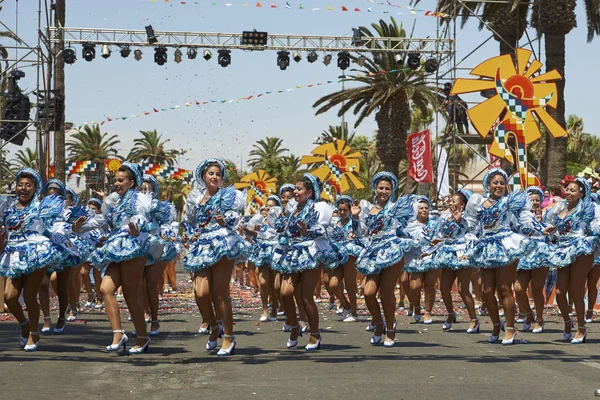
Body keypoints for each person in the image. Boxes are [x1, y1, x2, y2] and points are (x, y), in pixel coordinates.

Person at [464, 168, 548, 344]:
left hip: (505, 245)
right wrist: (468, 248)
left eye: (502, 183)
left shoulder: (510, 202)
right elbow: (471, 228)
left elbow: (523, 220)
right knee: (486, 291)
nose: (499, 186)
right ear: (488, 184)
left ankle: (510, 328)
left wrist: (540, 229)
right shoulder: (478, 203)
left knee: (504, 289)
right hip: (486, 247)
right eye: (496, 182)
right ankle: (496, 325)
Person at [0, 168, 72, 351]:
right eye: (20, 185)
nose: (23, 188)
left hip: (37, 252)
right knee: (9, 297)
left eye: (28, 185)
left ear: (35, 188)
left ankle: (33, 333)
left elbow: (53, 228)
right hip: (15, 254)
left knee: (30, 295)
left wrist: (65, 238)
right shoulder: (7, 208)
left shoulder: (42, 207)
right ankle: (24, 324)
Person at [182, 158, 247, 356]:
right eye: (211, 174)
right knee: (201, 293)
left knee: (220, 292)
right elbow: (189, 221)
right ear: (203, 176)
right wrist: (189, 234)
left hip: (222, 242)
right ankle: (213, 326)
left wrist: (223, 220)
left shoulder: (227, 196)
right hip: (202, 246)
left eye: (218, 174)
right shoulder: (195, 198)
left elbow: (235, 217)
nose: (215, 177)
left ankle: (228, 337)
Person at [86, 162, 153, 354]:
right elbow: (103, 219)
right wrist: (80, 227)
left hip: (133, 246)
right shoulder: (113, 201)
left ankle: (142, 337)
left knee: (131, 294)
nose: (116, 183)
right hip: (115, 246)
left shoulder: (138, 198)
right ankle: (118, 333)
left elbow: (141, 216)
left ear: (131, 183)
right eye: (115, 180)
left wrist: (135, 227)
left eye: (120, 180)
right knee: (105, 288)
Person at [352, 172, 415, 347]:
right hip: (373, 252)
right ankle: (378, 323)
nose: (384, 191)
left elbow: (405, 228)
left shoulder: (396, 208)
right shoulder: (368, 209)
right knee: (368, 292)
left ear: (392, 190)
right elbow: (361, 233)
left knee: (386, 292)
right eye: (381, 188)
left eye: (388, 188)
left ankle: (390, 329)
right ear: (375, 188)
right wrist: (355, 217)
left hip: (391, 250)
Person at [272, 173, 334, 350]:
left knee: (306, 295)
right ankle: (294, 325)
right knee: (285, 292)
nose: (295, 191)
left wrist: (307, 232)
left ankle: (314, 334)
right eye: (295, 188)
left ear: (309, 192)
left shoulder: (318, 208)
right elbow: (284, 230)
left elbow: (321, 230)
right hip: (293, 253)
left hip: (311, 252)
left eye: (299, 189)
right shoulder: (293, 210)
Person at [544, 178, 600, 343]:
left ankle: (581, 328)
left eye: (573, 190)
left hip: (581, 249)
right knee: (560, 293)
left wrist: (590, 234)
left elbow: (596, 226)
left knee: (576, 288)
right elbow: (552, 228)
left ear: (581, 193)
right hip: (563, 250)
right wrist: (550, 232)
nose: (568, 193)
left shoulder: (589, 208)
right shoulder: (560, 208)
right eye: (567, 189)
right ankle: (568, 322)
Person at [420, 189, 480, 333]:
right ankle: (451, 313)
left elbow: (473, 231)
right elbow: (440, 235)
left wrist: (460, 220)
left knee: (462, 289)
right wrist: (429, 248)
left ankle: (474, 320)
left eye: (454, 201)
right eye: (451, 200)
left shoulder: (469, 217)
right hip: (448, 253)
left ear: (463, 204)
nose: (450, 203)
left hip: (463, 253)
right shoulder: (444, 216)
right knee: (444, 288)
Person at [514, 186, 551, 333]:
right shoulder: (521, 216)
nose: (534, 202)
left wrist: (542, 223)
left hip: (541, 252)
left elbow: (554, 234)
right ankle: (528, 313)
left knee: (536, 288)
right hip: (524, 252)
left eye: (537, 200)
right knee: (518, 288)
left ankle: (540, 319)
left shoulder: (548, 214)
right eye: (531, 200)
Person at [324, 195, 362, 322]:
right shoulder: (334, 223)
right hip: (338, 256)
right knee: (333, 284)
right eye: (340, 210)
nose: (342, 212)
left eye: (345, 210)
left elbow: (360, 232)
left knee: (350, 285)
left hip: (350, 255)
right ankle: (347, 306)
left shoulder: (354, 222)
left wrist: (354, 233)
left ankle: (354, 313)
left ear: (350, 210)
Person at [245, 196, 282, 322]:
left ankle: (274, 309)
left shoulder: (279, 221)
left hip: (276, 253)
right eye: (267, 205)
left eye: (271, 206)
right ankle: (265, 309)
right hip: (262, 252)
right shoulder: (259, 220)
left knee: (275, 285)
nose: (268, 208)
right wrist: (253, 231)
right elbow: (252, 235)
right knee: (264, 282)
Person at [404, 196, 439, 325]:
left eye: (426, 208)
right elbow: (405, 241)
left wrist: (431, 249)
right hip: (416, 259)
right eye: (421, 208)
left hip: (432, 257)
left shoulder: (435, 223)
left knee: (429, 286)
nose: (424, 210)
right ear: (416, 211)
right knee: (415, 286)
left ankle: (428, 312)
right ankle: (417, 306)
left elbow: (440, 238)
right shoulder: (410, 226)